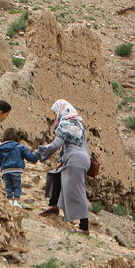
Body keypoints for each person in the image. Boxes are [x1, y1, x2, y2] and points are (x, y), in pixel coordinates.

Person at [35, 99, 92, 234]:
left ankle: (84, 227)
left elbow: (56, 145)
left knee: (78, 192)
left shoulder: (66, 124)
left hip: (75, 160)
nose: (55, 117)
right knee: (56, 174)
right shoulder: (78, 123)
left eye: (55, 113)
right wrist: (61, 161)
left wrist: (36, 154)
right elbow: (72, 145)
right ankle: (54, 206)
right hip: (80, 159)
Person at [0, 128, 39, 209]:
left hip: (5, 170)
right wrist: (35, 159)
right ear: (16, 138)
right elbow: (29, 156)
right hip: (16, 169)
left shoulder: (0, 148)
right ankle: (16, 201)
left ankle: (9, 200)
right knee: (17, 185)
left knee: (8, 185)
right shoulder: (19, 147)